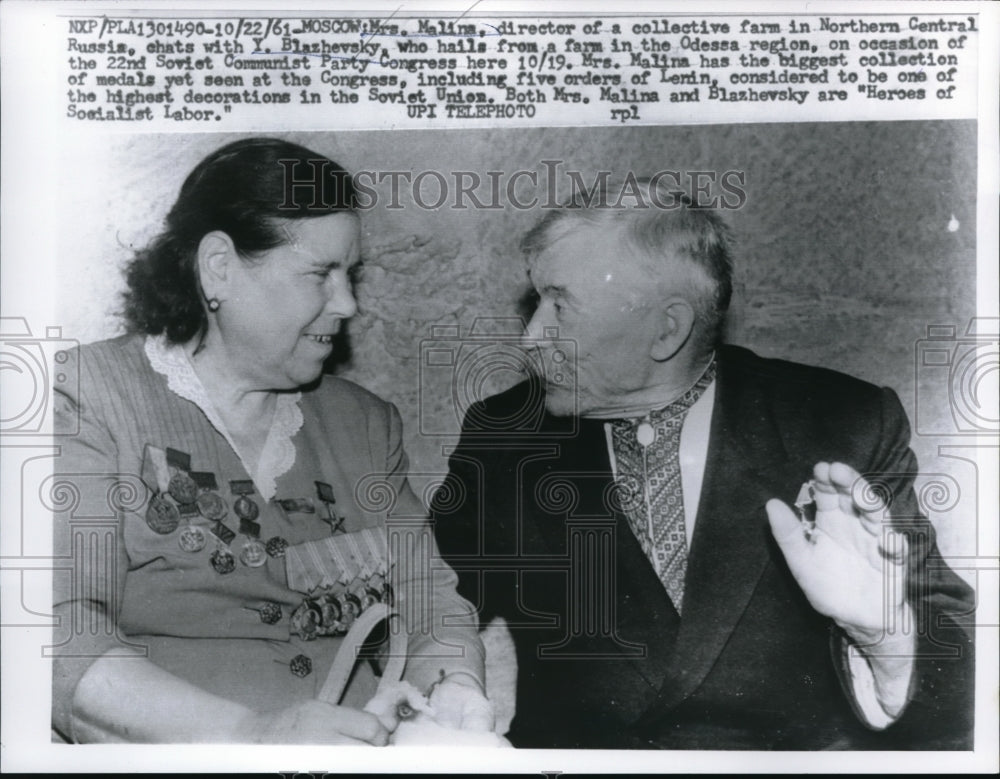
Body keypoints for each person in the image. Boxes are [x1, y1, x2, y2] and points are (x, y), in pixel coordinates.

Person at [430, 180, 975, 750]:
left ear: (666, 328)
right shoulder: (506, 434)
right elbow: (428, 600)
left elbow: (958, 664)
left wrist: (885, 639)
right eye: (537, 302)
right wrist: (444, 673)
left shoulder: (842, 423)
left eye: (560, 307)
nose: (532, 337)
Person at [51, 138, 492, 744]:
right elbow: (60, 633)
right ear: (219, 267)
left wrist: (456, 690)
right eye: (320, 274)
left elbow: (428, 601)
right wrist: (253, 735)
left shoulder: (365, 424)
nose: (348, 304)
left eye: (350, 274)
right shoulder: (88, 397)